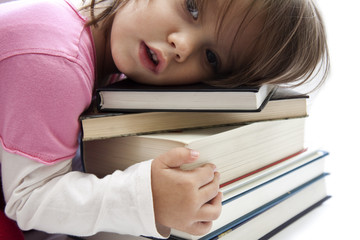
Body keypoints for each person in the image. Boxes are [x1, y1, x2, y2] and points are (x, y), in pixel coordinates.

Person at [0, 0, 329, 239]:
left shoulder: (111, 66)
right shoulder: (58, 60)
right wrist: (147, 200)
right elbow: (28, 199)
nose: (182, 45)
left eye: (211, 57)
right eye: (192, 7)